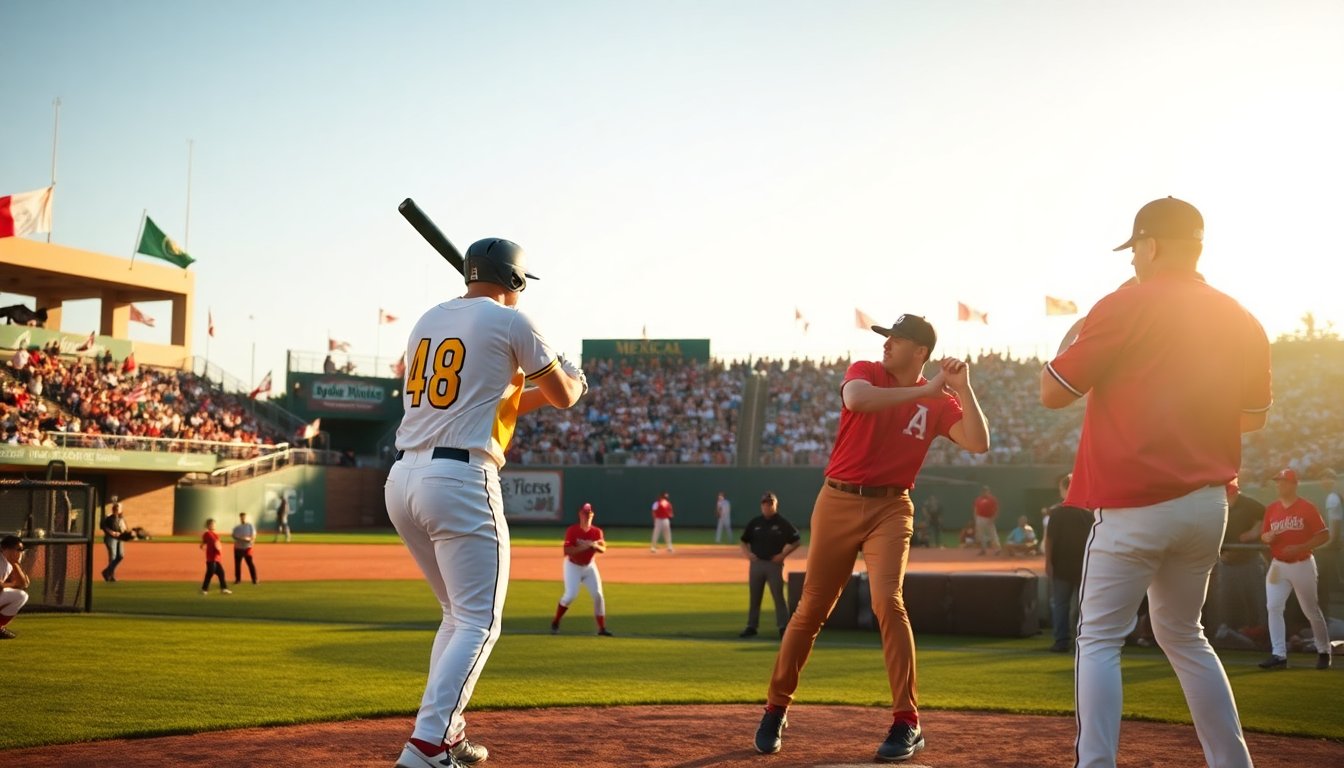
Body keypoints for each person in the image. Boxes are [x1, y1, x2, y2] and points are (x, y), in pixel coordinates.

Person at [1040, 196, 1271, 768]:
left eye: (1137, 247)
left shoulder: (1124, 304)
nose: (1135, 258)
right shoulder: (1241, 314)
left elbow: (1052, 393)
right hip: (1206, 505)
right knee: (1185, 635)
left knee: (1098, 639)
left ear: (1151, 244)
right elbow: (1254, 416)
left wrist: (1076, 339)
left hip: (1134, 505)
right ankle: (1233, 763)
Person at [384, 237, 585, 768]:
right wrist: (573, 377)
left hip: (403, 476)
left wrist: (554, 375)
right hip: (460, 478)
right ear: (514, 280)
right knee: (480, 622)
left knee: (456, 615)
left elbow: (504, 397)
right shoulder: (513, 322)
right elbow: (563, 395)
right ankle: (427, 745)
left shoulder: (429, 318)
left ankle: (445, 735)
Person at [754, 314, 989, 762]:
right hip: (838, 499)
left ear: (920, 351)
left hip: (892, 506)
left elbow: (978, 443)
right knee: (811, 609)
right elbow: (857, 400)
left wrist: (964, 387)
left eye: (897, 339)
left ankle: (907, 721)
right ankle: (776, 707)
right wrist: (925, 389)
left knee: (888, 599)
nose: (887, 344)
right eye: (888, 337)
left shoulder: (940, 401)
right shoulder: (866, 370)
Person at [1258, 468, 1331, 670]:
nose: (1280, 485)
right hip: (1278, 565)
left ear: (1294, 484)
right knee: (1273, 607)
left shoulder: (1307, 507)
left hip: (1303, 564)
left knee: (1311, 610)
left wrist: (1300, 547)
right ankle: (1279, 654)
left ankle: (1324, 651)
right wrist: (1268, 537)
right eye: (1278, 481)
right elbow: (1264, 536)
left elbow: (1324, 535)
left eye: (1284, 481)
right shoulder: (1272, 508)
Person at [738, 491, 802, 638]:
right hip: (757, 564)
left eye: (770, 504)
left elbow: (796, 540)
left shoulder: (781, 522)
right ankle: (751, 626)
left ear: (775, 505)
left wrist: (783, 555)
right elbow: (743, 540)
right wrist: (748, 554)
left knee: (778, 596)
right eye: (765, 504)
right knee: (755, 596)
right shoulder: (755, 523)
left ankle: (784, 626)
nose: (767, 506)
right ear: (761, 506)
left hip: (774, 564)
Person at [1044, 474, 1093, 653]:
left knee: (1060, 605)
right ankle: (1083, 643)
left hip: (1061, 566)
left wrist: (1048, 562)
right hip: (1083, 567)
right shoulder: (1087, 514)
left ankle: (1061, 641)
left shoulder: (1057, 513)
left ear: (1064, 489)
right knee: (1083, 607)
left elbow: (1049, 540)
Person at [1214, 478, 1266, 637]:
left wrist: (1255, 531)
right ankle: (1230, 631)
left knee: (1255, 599)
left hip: (1248, 560)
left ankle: (1257, 632)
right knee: (1227, 600)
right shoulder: (1218, 506)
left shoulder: (1248, 504)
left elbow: (1267, 517)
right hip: (1227, 562)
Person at [550, 502, 612, 636]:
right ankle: (556, 621)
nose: (587, 516)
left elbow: (603, 548)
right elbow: (567, 550)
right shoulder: (572, 530)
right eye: (585, 514)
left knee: (598, 595)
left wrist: (594, 546)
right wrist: (585, 546)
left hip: (589, 566)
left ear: (592, 515)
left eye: (589, 514)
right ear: (580, 514)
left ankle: (602, 628)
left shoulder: (596, 531)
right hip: (573, 566)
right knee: (570, 595)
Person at [0, 535, 30, 639]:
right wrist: (13, 585)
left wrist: (15, 563)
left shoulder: (8, 562)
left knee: (21, 595)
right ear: (5, 549)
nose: (21, 553)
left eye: (22, 550)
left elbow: (24, 584)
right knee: (20, 595)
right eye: (18, 549)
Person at [100, 495, 129, 582]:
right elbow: (104, 527)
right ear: (114, 509)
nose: (119, 509)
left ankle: (106, 571)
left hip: (120, 538)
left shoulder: (121, 518)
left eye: (120, 508)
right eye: (118, 507)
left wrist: (125, 533)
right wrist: (111, 532)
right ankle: (110, 576)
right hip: (110, 538)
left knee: (120, 556)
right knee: (113, 556)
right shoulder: (108, 517)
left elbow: (125, 528)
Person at [200, 519, 231, 595]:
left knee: (221, 573)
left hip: (216, 558)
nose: (213, 525)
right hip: (211, 558)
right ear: (208, 525)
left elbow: (205, 542)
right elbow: (214, 543)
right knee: (210, 573)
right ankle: (204, 589)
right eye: (212, 524)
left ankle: (224, 589)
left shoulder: (213, 534)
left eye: (214, 524)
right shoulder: (208, 533)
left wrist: (203, 545)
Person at [972, 485, 1000, 556]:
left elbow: (996, 510)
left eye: (986, 491)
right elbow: (975, 509)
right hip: (980, 518)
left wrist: (993, 518)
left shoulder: (992, 499)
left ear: (988, 491)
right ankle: (983, 549)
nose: (984, 492)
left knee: (992, 534)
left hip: (989, 518)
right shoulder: (978, 499)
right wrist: (976, 518)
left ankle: (997, 549)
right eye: (983, 491)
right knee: (981, 535)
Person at [231, 512, 258, 585]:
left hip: (247, 547)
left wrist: (250, 540)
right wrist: (241, 538)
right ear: (240, 518)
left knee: (250, 563)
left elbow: (253, 536)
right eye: (241, 517)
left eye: (244, 517)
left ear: (246, 517)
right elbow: (233, 536)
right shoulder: (237, 528)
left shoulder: (250, 526)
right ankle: (238, 580)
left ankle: (254, 580)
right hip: (238, 548)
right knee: (237, 564)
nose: (243, 518)